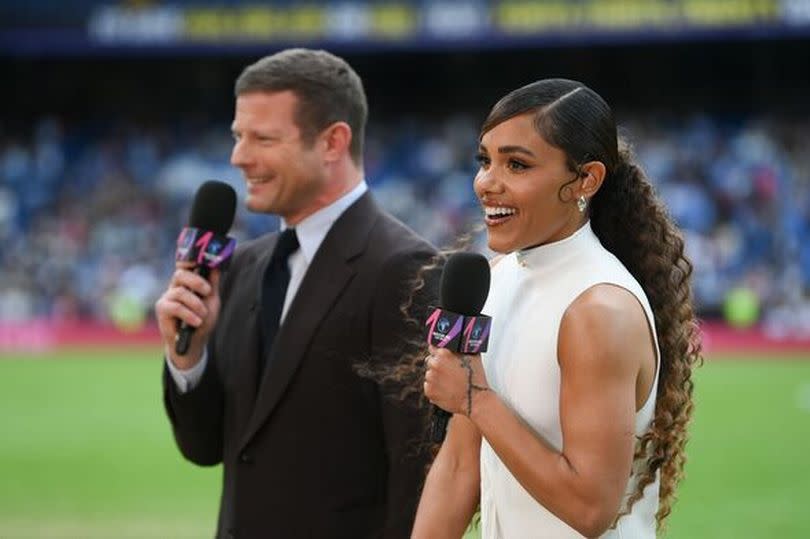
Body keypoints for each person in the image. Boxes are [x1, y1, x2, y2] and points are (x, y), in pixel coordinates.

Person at [155, 48, 436, 539]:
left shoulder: (404, 269)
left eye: (262, 138)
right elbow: (206, 448)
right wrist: (189, 360)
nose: (238, 156)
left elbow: (419, 475)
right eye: (238, 136)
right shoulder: (241, 266)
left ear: (332, 142)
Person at [413, 79, 702, 538]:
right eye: (485, 161)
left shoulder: (600, 309)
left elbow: (589, 509)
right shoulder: (493, 280)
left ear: (585, 179)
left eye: (517, 164)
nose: (487, 183)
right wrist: (471, 402)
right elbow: (458, 466)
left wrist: (475, 399)